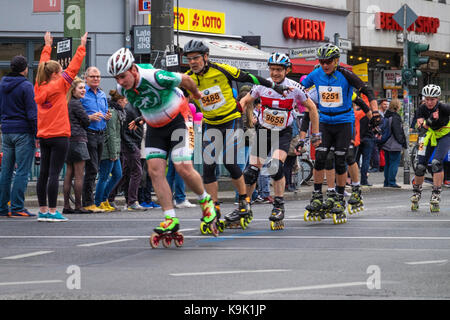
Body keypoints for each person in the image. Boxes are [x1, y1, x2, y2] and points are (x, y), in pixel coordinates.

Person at [107, 47, 219, 236]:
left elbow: (187, 79)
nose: (120, 82)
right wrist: (142, 119)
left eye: (123, 76)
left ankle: (206, 201)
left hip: (178, 119)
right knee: (155, 170)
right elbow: (146, 104)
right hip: (155, 127)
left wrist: (198, 96)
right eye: (116, 78)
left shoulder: (156, 76)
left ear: (133, 69)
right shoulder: (122, 88)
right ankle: (170, 218)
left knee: (182, 166)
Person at [183, 40, 294, 226]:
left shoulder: (222, 69)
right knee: (209, 167)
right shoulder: (187, 78)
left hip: (230, 121)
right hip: (211, 123)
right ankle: (214, 208)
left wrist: (275, 87)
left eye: (196, 58)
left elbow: (249, 78)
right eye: (189, 59)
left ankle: (244, 200)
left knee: (229, 161)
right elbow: (175, 99)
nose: (193, 62)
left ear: (205, 57)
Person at [301, 43, 381, 223]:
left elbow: (366, 92)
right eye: (321, 62)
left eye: (328, 61)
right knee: (321, 158)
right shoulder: (316, 74)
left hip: (344, 122)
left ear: (336, 61)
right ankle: (317, 195)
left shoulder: (346, 75)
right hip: (324, 122)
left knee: (342, 158)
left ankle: (339, 195)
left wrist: (374, 113)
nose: (325, 65)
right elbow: (300, 88)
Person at [240, 52, 320, 230]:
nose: (275, 73)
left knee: (275, 167)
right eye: (272, 69)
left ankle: (278, 204)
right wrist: (244, 115)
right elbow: (245, 100)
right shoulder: (262, 85)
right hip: (263, 131)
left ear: (287, 70)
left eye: (279, 70)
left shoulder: (295, 88)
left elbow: (312, 108)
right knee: (252, 171)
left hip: (283, 133)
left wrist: (315, 134)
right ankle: (245, 205)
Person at [34, 31, 88, 222]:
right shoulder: (60, 85)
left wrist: (47, 46)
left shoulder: (39, 86)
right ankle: (52, 211)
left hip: (43, 134)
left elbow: (43, 66)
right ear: (56, 73)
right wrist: (81, 46)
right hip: (59, 134)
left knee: (44, 173)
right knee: (55, 173)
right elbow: (73, 68)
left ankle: (42, 210)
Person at [0, 55, 37, 217]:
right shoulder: (26, 86)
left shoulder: (2, 84)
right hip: (23, 131)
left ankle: (2, 207)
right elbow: (31, 112)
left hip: (6, 131)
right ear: (25, 69)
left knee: (5, 171)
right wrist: (37, 134)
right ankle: (17, 207)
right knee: (22, 171)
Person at [63, 77, 102, 214]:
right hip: (79, 139)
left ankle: (66, 206)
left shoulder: (67, 102)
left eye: (84, 88)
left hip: (68, 139)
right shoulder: (77, 104)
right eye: (81, 88)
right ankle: (78, 206)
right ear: (73, 90)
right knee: (79, 175)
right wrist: (87, 117)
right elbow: (86, 121)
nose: (84, 90)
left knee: (68, 173)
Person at [411, 84, 450, 212]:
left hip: (444, 135)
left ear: (437, 99)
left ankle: (436, 194)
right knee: (420, 166)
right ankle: (416, 192)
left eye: (432, 99)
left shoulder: (444, 107)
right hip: (428, 135)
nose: (429, 102)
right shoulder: (421, 109)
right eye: (427, 99)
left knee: (436, 163)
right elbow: (422, 127)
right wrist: (431, 120)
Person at [81, 66, 111, 213]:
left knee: (96, 168)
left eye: (98, 76)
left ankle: (90, 200)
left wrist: (107, 116)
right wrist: (89, 117)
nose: (96, 79)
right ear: (86, 78)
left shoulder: (102, 94)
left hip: (101, 133)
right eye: (93, 76)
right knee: (91, 169)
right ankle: (87, 202)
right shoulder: (82, 94)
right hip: (89, 133)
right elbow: (75, 115)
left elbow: (105, 112)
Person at [94, 90, 127, 211]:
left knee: (118, 174)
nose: (126, 102)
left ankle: (104, 198)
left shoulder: (118, 112)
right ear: (119, 101)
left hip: (114, 150)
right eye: (125, 100)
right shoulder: (113, 113)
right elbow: (111, 134)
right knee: (104, 176)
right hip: (108, 150)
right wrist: (114, 153)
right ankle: (99, 201)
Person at [381, 99, 407, 188]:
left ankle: (386, 182)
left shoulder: (386, 115)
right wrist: (402, 141)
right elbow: (397, 132)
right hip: (394, 144)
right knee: (394, 163)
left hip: (386, 142)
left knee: (387, 163)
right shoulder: (395, 117)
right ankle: (392, 182)